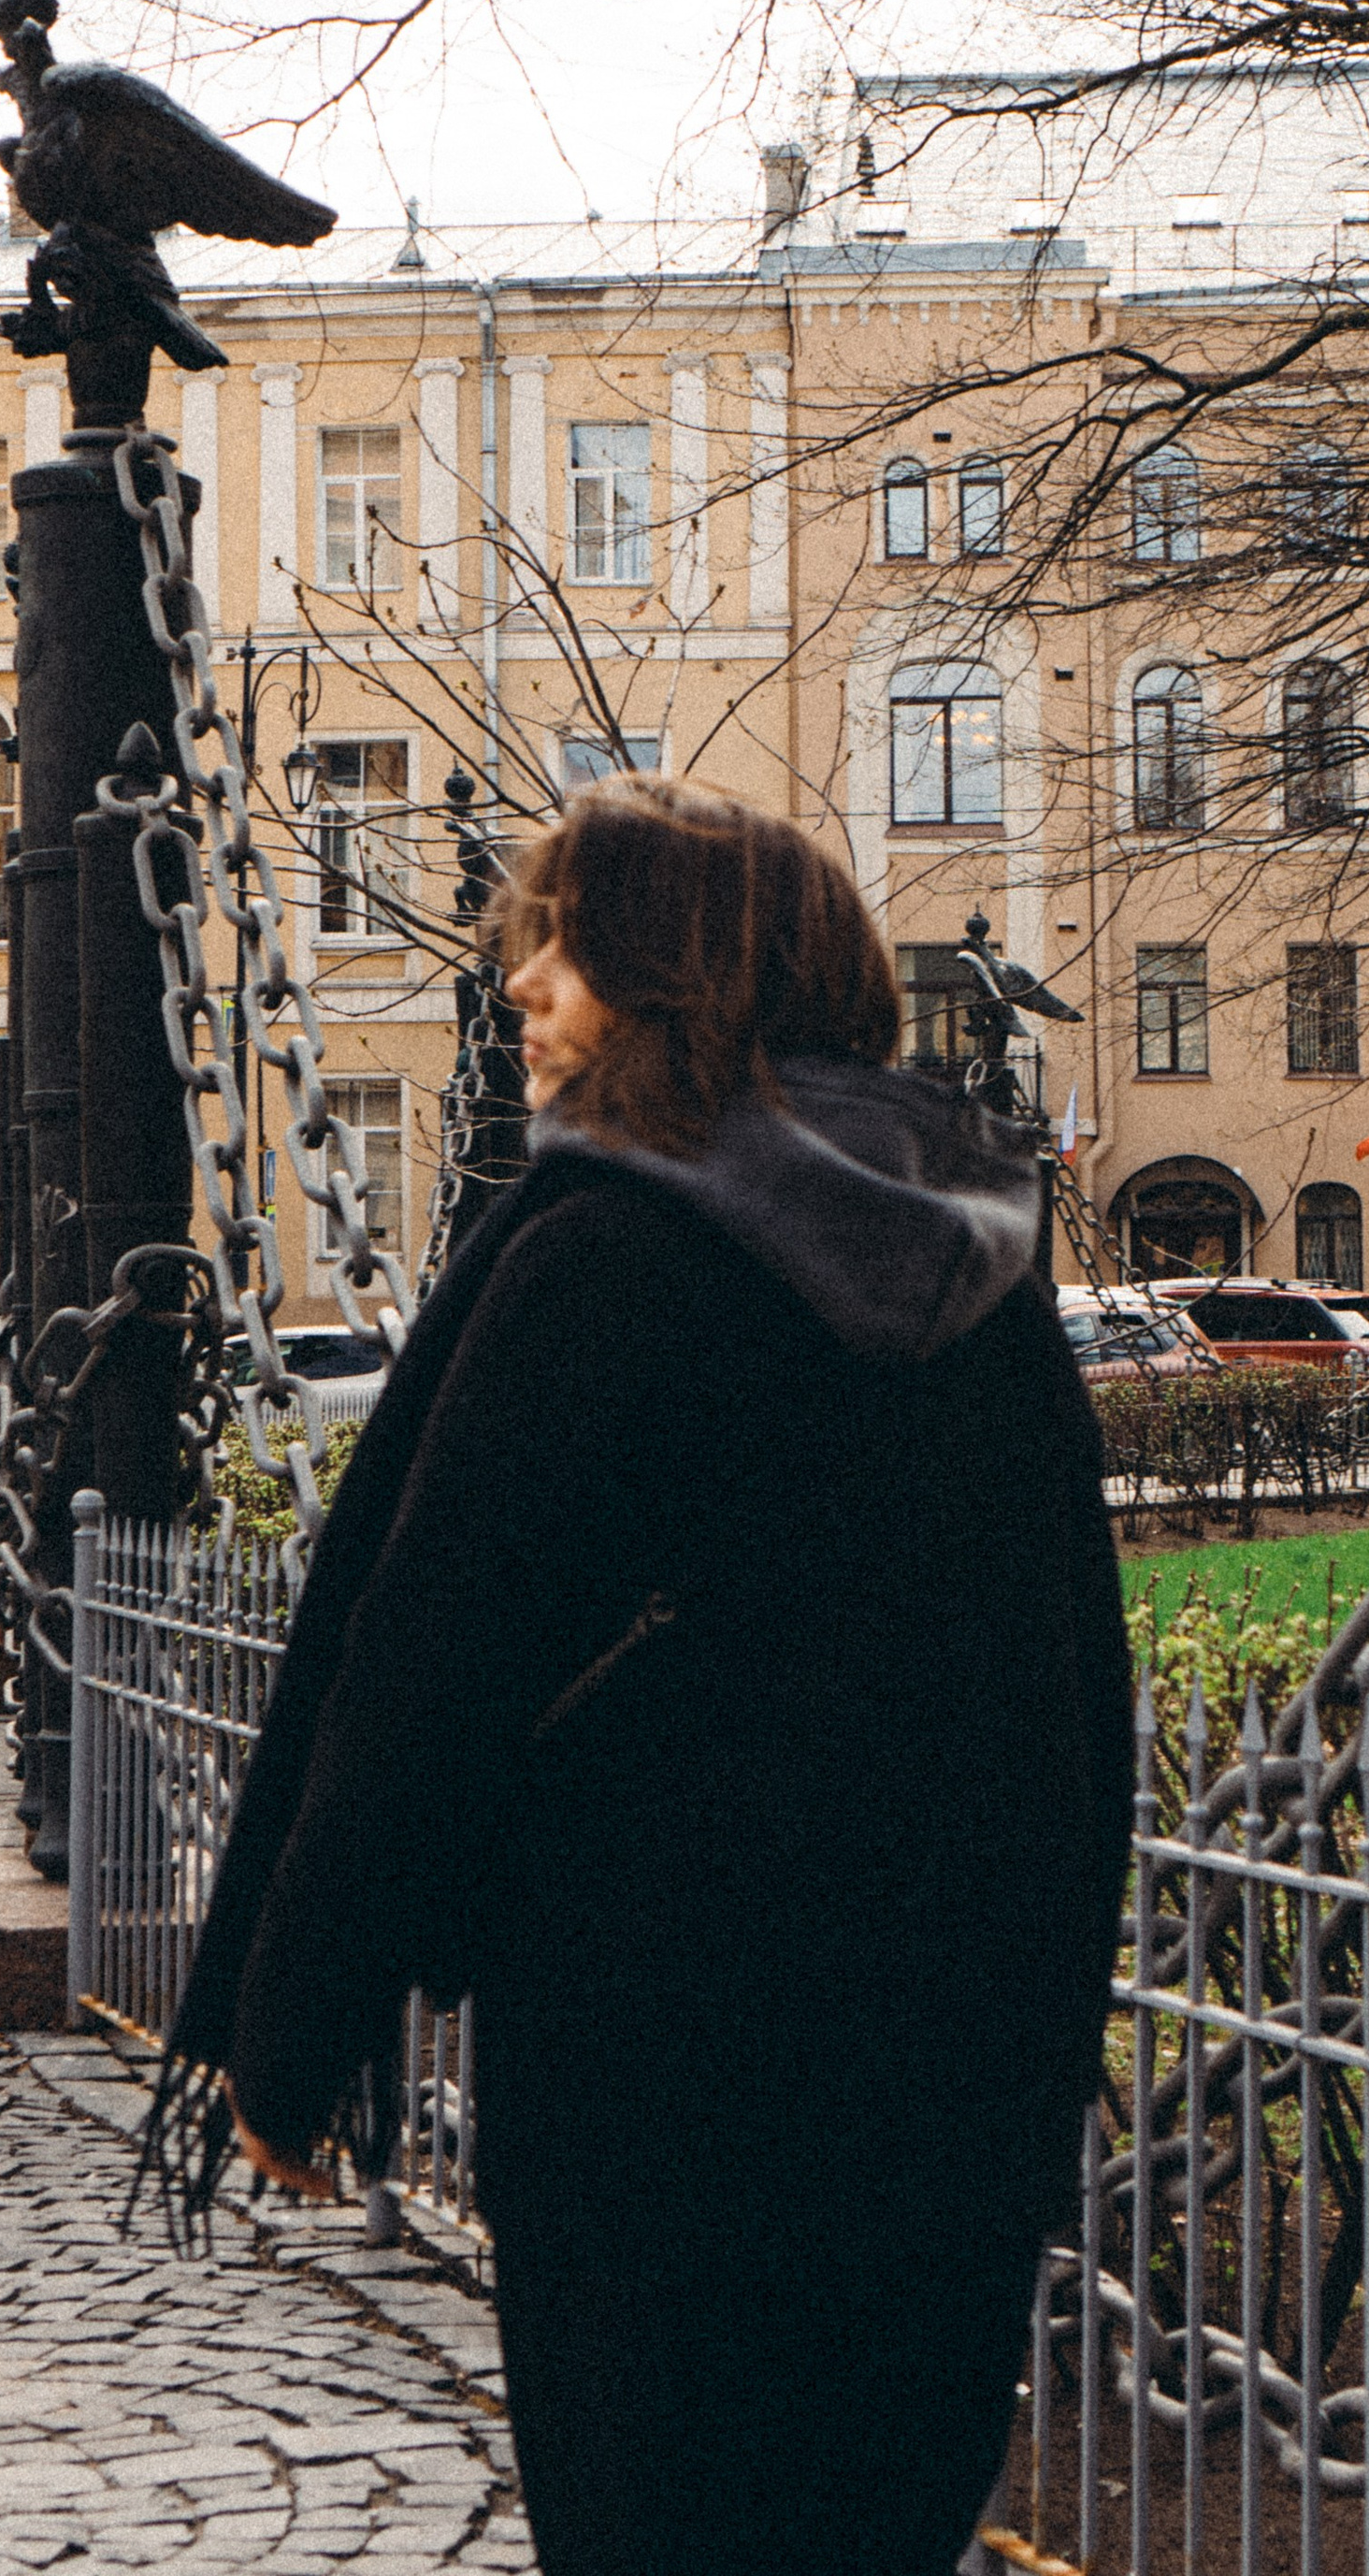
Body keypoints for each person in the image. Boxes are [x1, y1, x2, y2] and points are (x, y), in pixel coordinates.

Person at [144, 774, 1132, 2576]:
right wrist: (1042, 2043)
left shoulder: (600, 1254)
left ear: (678, 976)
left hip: (654, 2081)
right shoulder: (980, 1266)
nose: (523, 985)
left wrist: (292, 2041)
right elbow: (1079, 1687)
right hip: (946, 2094)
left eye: (568, 946)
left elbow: (424, 1662)